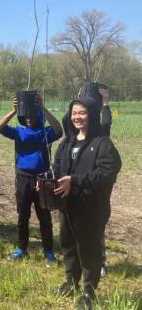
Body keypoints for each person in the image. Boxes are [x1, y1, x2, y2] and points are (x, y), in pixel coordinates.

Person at [50, 97, 121, 309]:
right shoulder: (68, 141)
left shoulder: (102, 143)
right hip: (67, 206)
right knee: (68, 245)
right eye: (74, 113)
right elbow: (58, 165)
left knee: (88, 249)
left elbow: (107, 173)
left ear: (91, 114)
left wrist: (76, 181)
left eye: (82, 113)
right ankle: (70, 283)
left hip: (91, 208)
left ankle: (89, 292)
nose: (77, 117)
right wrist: (49, 182)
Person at [0, 94, 62, 263]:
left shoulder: (46, 132)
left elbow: (59, 130)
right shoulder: (18, 132)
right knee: (22, 216)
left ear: (39, 116)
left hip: (42, 180)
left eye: (33, 116)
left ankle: (48, 251)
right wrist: (14, 110)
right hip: (23, 178)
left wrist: (43, 108)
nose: (29, 119)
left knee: (44, 218)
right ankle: (21, 248)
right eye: (26, 116)